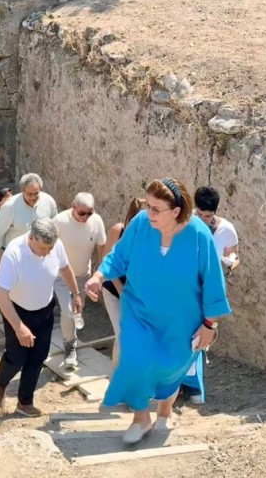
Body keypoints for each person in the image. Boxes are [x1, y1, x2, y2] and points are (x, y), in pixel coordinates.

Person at [84, 178, 230, 444]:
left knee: (172, 367)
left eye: (155, 208)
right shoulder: (140, 223)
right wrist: (99, 275)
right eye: (147, 205)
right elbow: (119, 256)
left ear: (176, 211)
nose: (148, 212)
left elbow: (212, 280)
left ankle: (165, 410)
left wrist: (210, 325)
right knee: (136, 359)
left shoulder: (198, 234)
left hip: (181, 318)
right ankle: (141, 418)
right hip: (139, 311)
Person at [0, 218, 83, 417]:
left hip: (45, 309)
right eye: (43, 248)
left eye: (50, 248)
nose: (47, 252)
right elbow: (1, 295)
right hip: (17, 311)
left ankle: (25, 402)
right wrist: (19, 327)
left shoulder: (54, 246)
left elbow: (65, 268)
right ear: (31, 237)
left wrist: (75, 294)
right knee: (17, 358)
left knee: (38, 357)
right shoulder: (14, 253)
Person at [182, 186, 241, 405]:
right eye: (199, 215)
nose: (203, 220)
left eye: (208, 216)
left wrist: (229, 264)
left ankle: (192, 386)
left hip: (209, 292)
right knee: (184, 334)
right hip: (185, 290)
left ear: (215, 212)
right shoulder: (185, 226)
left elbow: (234, 257)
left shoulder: (227, 229)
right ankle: (182, 384)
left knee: (200, 336)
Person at [52, 192, 106, 369]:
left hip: (82, 275)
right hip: (60, 276)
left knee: (77, 311)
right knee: (68, 311)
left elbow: (101, 248)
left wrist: (99, 274)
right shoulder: (59, 221)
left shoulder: (96, 221)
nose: (85, 217)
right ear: (73, 207)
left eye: (89, 213)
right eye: (81, 213)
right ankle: (70, 347)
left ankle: (70, 340)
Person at [98, 197, 147, 370]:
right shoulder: (118, 231)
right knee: (122, 334)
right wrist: (121, 290)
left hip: (136, 293)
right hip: (114, 289)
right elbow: (106, 262)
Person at [0, 173, 57, 269]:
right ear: (22, 191)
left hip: (40, 257)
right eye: (30, 194)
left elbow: (54, 228)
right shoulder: (9, 207)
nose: (33, 197)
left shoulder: (49, 202)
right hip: (15, 257)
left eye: (36, 193)